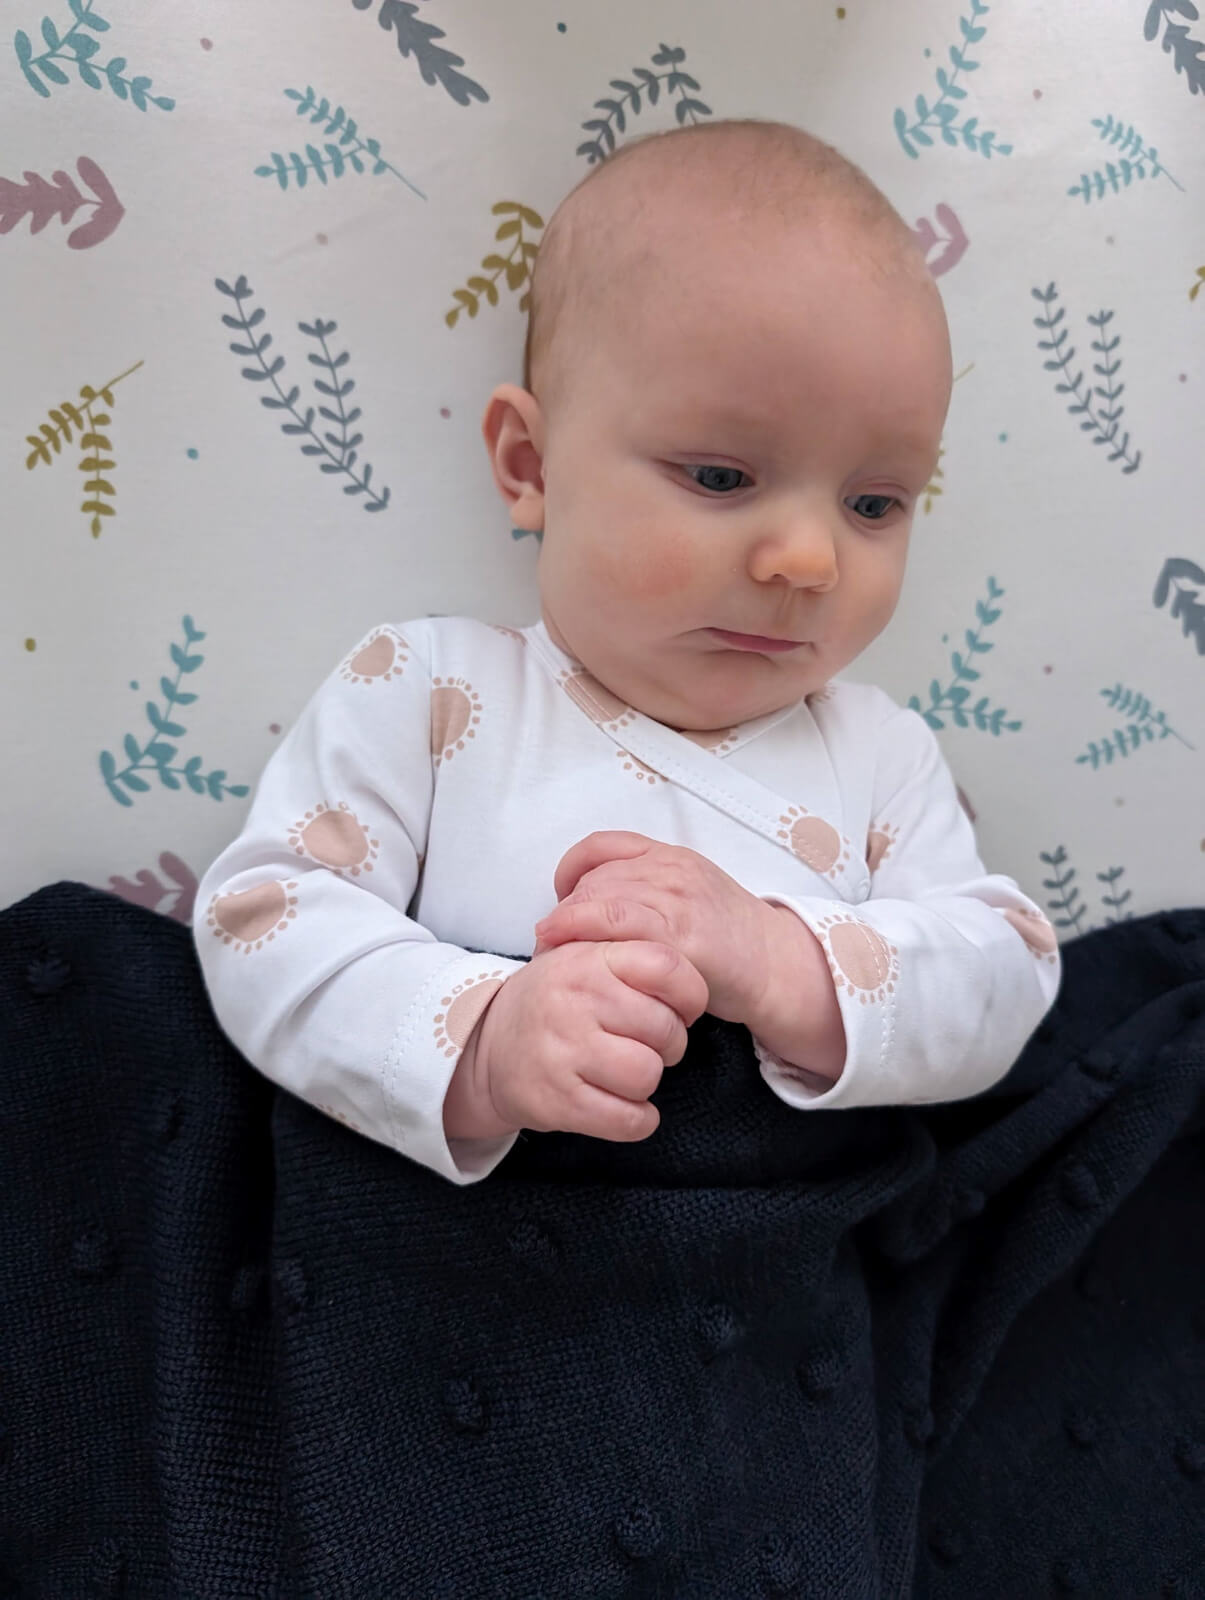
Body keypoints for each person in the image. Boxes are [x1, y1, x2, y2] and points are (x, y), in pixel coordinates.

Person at [192, 119, 1061, 1186]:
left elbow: (1003, 978)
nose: (808, 559)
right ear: (531, 465)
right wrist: (485, 1038)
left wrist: (782, 962)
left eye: (872, 503)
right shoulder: (429, 693)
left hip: (774, 1245)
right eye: (720, 477)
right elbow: (263, 918)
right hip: (473, 1241)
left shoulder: (879, 756)